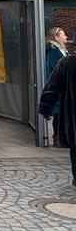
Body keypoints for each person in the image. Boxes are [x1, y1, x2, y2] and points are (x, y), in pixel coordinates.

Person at [39, 54, 76, 187]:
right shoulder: (66, 63)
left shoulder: (67, 63)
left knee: (75, 148)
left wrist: (45, 107)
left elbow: (52, 87)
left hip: (72, 118)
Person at [45, 27, 68, 147]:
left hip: (62, 86)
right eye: (63, 35)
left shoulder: (61, 50)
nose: (66, 37)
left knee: (61, 113)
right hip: (59, 87)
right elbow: (56, 70)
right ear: (56, 37)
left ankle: (60, 137)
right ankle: (58, 138)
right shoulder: (54, 51)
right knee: (59, 113)